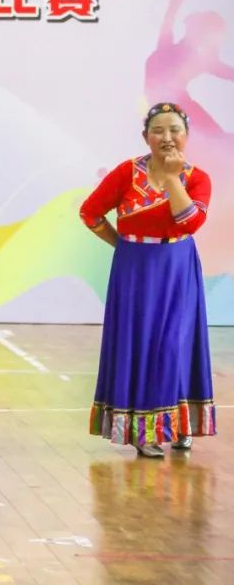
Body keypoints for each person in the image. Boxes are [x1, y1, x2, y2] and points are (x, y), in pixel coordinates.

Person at [80, 102, 215, 458]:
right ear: (145, 137)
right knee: (139, 344)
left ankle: (180, 425)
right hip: (135, 271)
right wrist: (123, 246)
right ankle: (144, 431)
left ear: (186, 135)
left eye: (175, 130)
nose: (167, 137)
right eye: (158, 130)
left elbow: (190, 222)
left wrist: (171, 178)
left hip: (178, 269)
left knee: (176, 344)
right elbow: (90, 212)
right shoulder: (127, 173)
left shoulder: (197, 178)